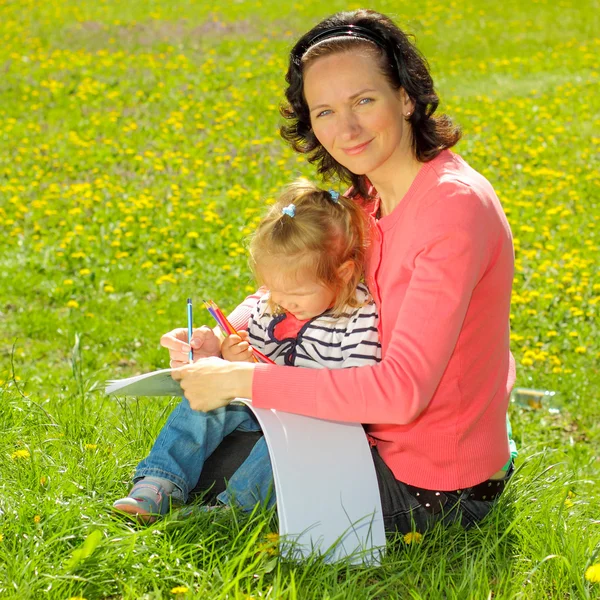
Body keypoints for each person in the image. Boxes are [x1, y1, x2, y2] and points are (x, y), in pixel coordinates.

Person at [163, 9, 517, 534]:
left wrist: (245, 379)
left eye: (364, 101)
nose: (345, 129)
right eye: (324, 111)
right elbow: (279, 292)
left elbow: (400, 394)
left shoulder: (452, 211)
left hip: (432, 485)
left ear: (406, 97)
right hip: (358, 435)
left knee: (216, 502)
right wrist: (218, 340)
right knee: (205, 448)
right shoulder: (366, 195)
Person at [113, 179, 381, 522]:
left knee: (282, 450)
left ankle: (232, 510)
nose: (282, 302)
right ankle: (158, 482)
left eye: (295, 296)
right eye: (273, 290)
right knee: (207, 405)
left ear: (342, 275)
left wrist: (258, 378)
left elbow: (354, 394)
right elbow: (248, 338)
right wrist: (229, 353)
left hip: (312, 425)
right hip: (261, 409)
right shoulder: (274, 299)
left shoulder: (358, 317)